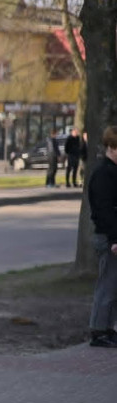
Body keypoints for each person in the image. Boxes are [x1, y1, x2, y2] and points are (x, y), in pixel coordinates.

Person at [87, 125, 117, 348]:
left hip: (112, 235)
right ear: (112, 148)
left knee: (112, 284)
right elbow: (104, 211)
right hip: (108, 237)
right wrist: (114, 239)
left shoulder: (111, 172)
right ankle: (98, 331)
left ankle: (107, 327)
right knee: (107, 284)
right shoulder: (103, 174)